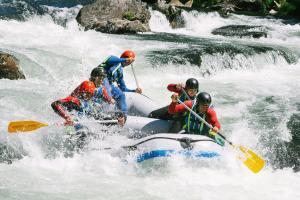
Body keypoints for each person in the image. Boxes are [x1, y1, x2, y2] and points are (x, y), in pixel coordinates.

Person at [97, 50, 142, 116]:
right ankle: (97, 111)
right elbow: (109, 60)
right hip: (100, 78)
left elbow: (123, 88)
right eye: (128, 59)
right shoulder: (114, 60)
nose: (128, 62)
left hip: (109, 84)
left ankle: (122, 115)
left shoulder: (120, 72)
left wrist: (134, 91)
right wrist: (125, 59)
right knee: (108, 90)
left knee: (121, 95)